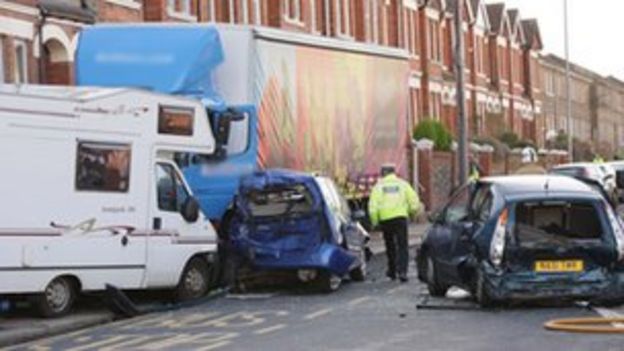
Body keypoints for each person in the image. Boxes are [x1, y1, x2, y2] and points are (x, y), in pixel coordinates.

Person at [368, 164, 421, 283]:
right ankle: (403, 272)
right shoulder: (402, 184)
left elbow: (372, 206)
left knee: (390, 245)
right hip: (400, 218)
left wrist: (375, 221)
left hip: (386, 220)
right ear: (394, 173)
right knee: (403, 245)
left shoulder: (379, 186)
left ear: (383, 174)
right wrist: (413, 212)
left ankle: (392, 271)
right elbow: (414, 200)